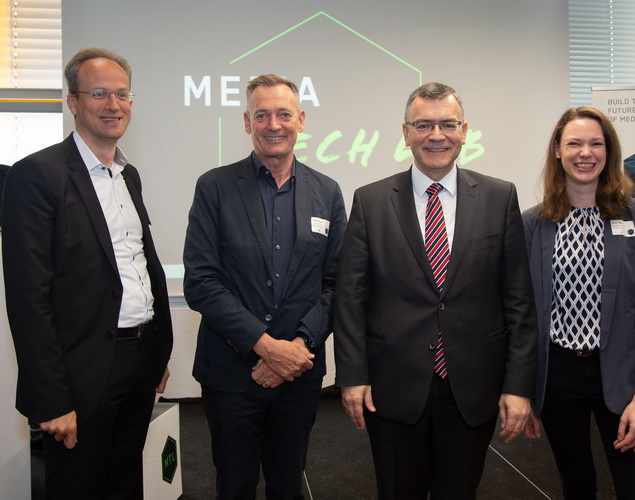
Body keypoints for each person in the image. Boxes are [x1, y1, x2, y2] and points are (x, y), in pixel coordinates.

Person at [333, 82, 538, 498]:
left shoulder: (500, 197)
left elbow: (519, 302)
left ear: (465, 130)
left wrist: (518, 386)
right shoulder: (370, 201)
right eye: (423, 125)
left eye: (447, 124)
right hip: (392, 390)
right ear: (406, 133)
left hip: (473, 387)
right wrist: (352, 376)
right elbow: (350, 299)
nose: (436, 135)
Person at [2, 47, 173, 499]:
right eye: (99, 93)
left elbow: (140, 267)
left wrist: (157, 354)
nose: (113, 104)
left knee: (123, 486)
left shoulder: (127, 175)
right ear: (73, 102)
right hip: (80, 374)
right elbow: (28, 300)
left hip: (138, 364)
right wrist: (53, 399)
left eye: (121, 94)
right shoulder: (36, 175)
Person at [183, 74, 347, 499]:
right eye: (262, 115)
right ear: (246, 122)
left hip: (299, 373)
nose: (273, 124)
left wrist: (297, 347)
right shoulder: (214, 187)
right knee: (234, 485)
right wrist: (267, 347)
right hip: (231, 375)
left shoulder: (327, 193)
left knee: (287, 484)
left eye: (283, 114)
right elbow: (201, 282)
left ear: (301, 120)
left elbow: (337, 284)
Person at [522, 106, 635, 499]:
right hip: (558, 378)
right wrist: (526, 391)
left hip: (623, 377)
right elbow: (522, 316)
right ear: (557, 150)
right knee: (577, 486)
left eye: (595, 143)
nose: (584, 152)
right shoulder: (534, 223)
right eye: (574, 143)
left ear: (609, 152)